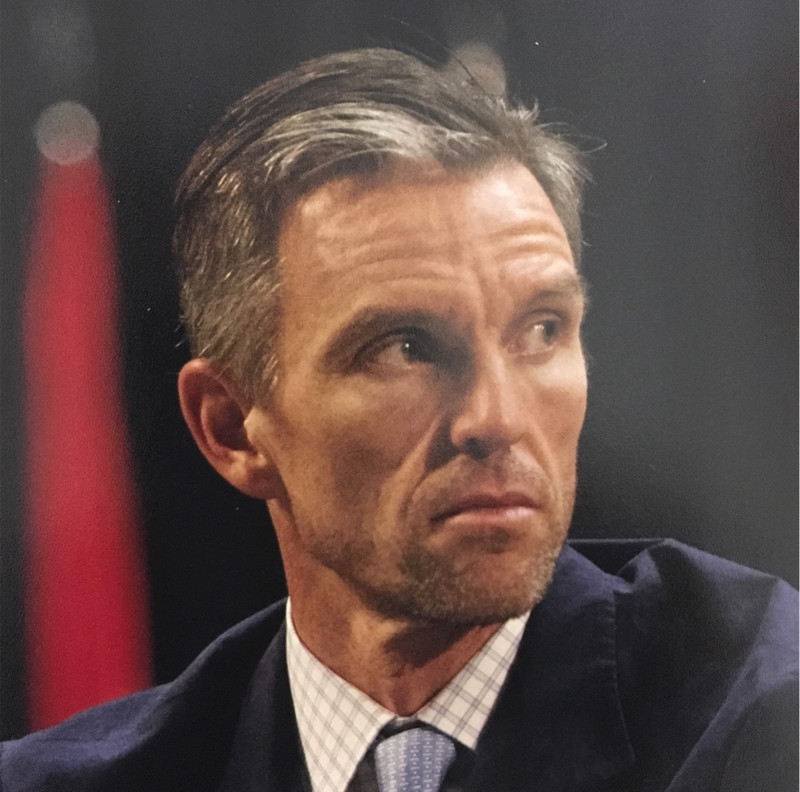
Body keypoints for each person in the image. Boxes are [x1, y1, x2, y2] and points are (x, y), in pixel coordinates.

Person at [1, 48, 796, 792]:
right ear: (233, 427)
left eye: (542, 329)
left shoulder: (761, 713)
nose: (497, 417)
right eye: (406, 348)